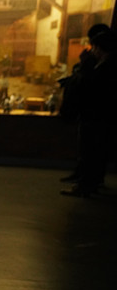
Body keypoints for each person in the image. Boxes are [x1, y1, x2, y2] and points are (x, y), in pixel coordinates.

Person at [61, 28, 117, 197]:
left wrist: (83, 69)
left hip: (95, 117)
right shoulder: (106, 66)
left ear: (100, 48)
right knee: (94, 151)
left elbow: (92, 88)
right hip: (98, 117)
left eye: (95, 47)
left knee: (91, 150)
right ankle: (90, 181)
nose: (93, 51)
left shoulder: (105, 68)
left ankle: (86, 185)